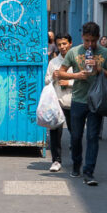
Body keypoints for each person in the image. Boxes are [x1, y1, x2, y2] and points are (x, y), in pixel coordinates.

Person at [55, 21, 107, 185]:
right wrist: (76, 76)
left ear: (97, 38)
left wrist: (99, 69)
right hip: (78, 100)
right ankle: (76, 164)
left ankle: (89, 172)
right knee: (75, 136)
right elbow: (60, 73)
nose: (90, 44)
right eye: (87, 40)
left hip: (97, 101)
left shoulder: (105, 53)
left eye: (93, 41)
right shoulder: (74, 52)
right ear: (82, 37)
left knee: (92, 137)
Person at [45, 32, 73, 173]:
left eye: (64, 44)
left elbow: (84, 79)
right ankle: (56, 160)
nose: (62, 47)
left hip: (74, 101)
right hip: (57, 102)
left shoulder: (76, 60)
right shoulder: (53, 62)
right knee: (55, 132)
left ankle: (76, 157)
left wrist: (69, 82)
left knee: (76, 132)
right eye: (59, 44)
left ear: (70, 43)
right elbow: (46, 81)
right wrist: (53, 78)